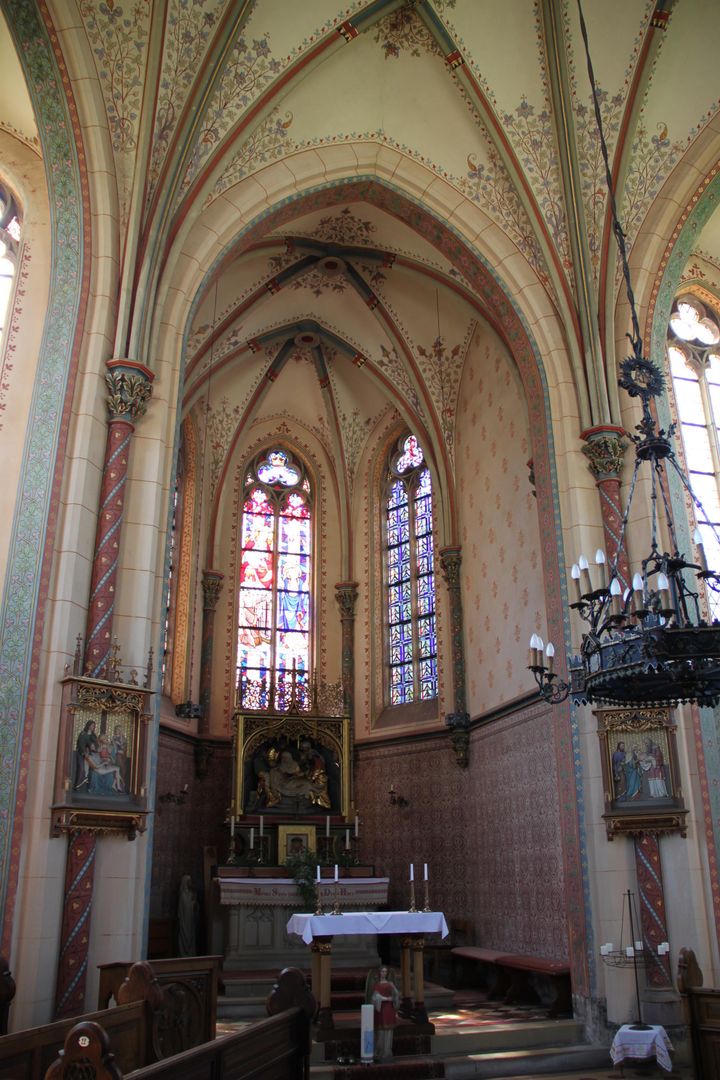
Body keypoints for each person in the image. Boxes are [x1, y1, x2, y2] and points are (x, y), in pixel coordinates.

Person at [371, 966, 400, 1061]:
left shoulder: (390, 984)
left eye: (385, 972)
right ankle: (379, 1052)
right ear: (379, 973)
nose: (384, 973)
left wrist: (394, 997)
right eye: (382, 971)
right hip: (380, 1009)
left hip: (389, 1009)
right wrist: (386, 998)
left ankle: (387, 1052)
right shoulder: (377, 985)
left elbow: (396, 994)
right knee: (380, 1032)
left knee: (388, 1031)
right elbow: (375, 997)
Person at [177, 874, 197, 956]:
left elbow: (193, 906)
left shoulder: (191, 893)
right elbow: (184, 908)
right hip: (184, 920)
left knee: (191, 935)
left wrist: (194, 902)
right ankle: (183, 954)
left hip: (190, 919)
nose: (190, 883)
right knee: (184, 935)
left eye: (190, 881)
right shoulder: (182, 895)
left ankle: (190, 953)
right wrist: (192, 903)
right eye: (189, 881)